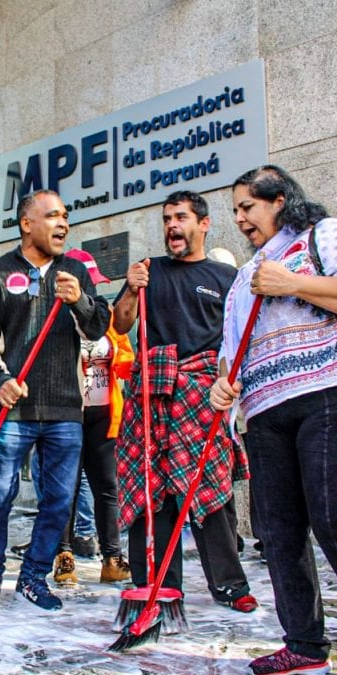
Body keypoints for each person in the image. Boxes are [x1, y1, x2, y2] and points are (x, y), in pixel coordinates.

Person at [211, 165, 337, 675]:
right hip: (266, 410)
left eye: (246, 207)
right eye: (235, 211)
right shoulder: (243, 276)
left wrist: (293, 282)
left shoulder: (329, 236)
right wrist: (223, 386)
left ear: (278, 200)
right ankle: (303, 643)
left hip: (335, 395)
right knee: (278, 533)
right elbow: (232, 350)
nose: (240, 220)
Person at [112, 190, 257, 613]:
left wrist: (230, 383)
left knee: (210, 488)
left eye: (180, 218)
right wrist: (130, 289)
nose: (172, 226)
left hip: (202, 394)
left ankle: (230, 585)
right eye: (167, 219)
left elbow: (238, 339)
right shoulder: (148, 270)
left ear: (203, 224)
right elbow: (121, 324)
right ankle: (155, 583)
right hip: (151, 391)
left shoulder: (225, 279)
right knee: (149, 486)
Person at [0, 189, 111, 611]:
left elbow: (99, 326)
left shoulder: (75, 271)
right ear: (27, 224)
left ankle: (33, 576)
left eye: (65, 216)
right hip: (14, 408)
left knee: (59, 500)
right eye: (52, 216)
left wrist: (79, 301)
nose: (62, 224)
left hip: (66, 408)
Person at [51, 247, 133, 586]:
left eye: (94, 284)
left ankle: (112, 558)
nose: (93, 289)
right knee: (65, 489)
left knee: (107, 488)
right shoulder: (55, 317)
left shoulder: (108, 316)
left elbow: (126, 358)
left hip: (104, 413)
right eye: (89, 283)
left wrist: (126, 362)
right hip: (67, 414)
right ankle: (64, 557)